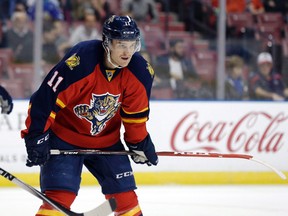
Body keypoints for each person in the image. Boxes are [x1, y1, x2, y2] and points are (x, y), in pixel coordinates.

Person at [21, 15, 158, 216]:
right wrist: (36, 136)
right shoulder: (81, 62)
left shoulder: (140, 71)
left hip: (106, 141)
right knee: (59, 198)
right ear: (106, 42)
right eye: (121, 44)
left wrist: (140, 143)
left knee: (126, 200)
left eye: (132, 45)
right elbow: (45, 100)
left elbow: (134, 117)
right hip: (64, 138)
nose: (127, 52)